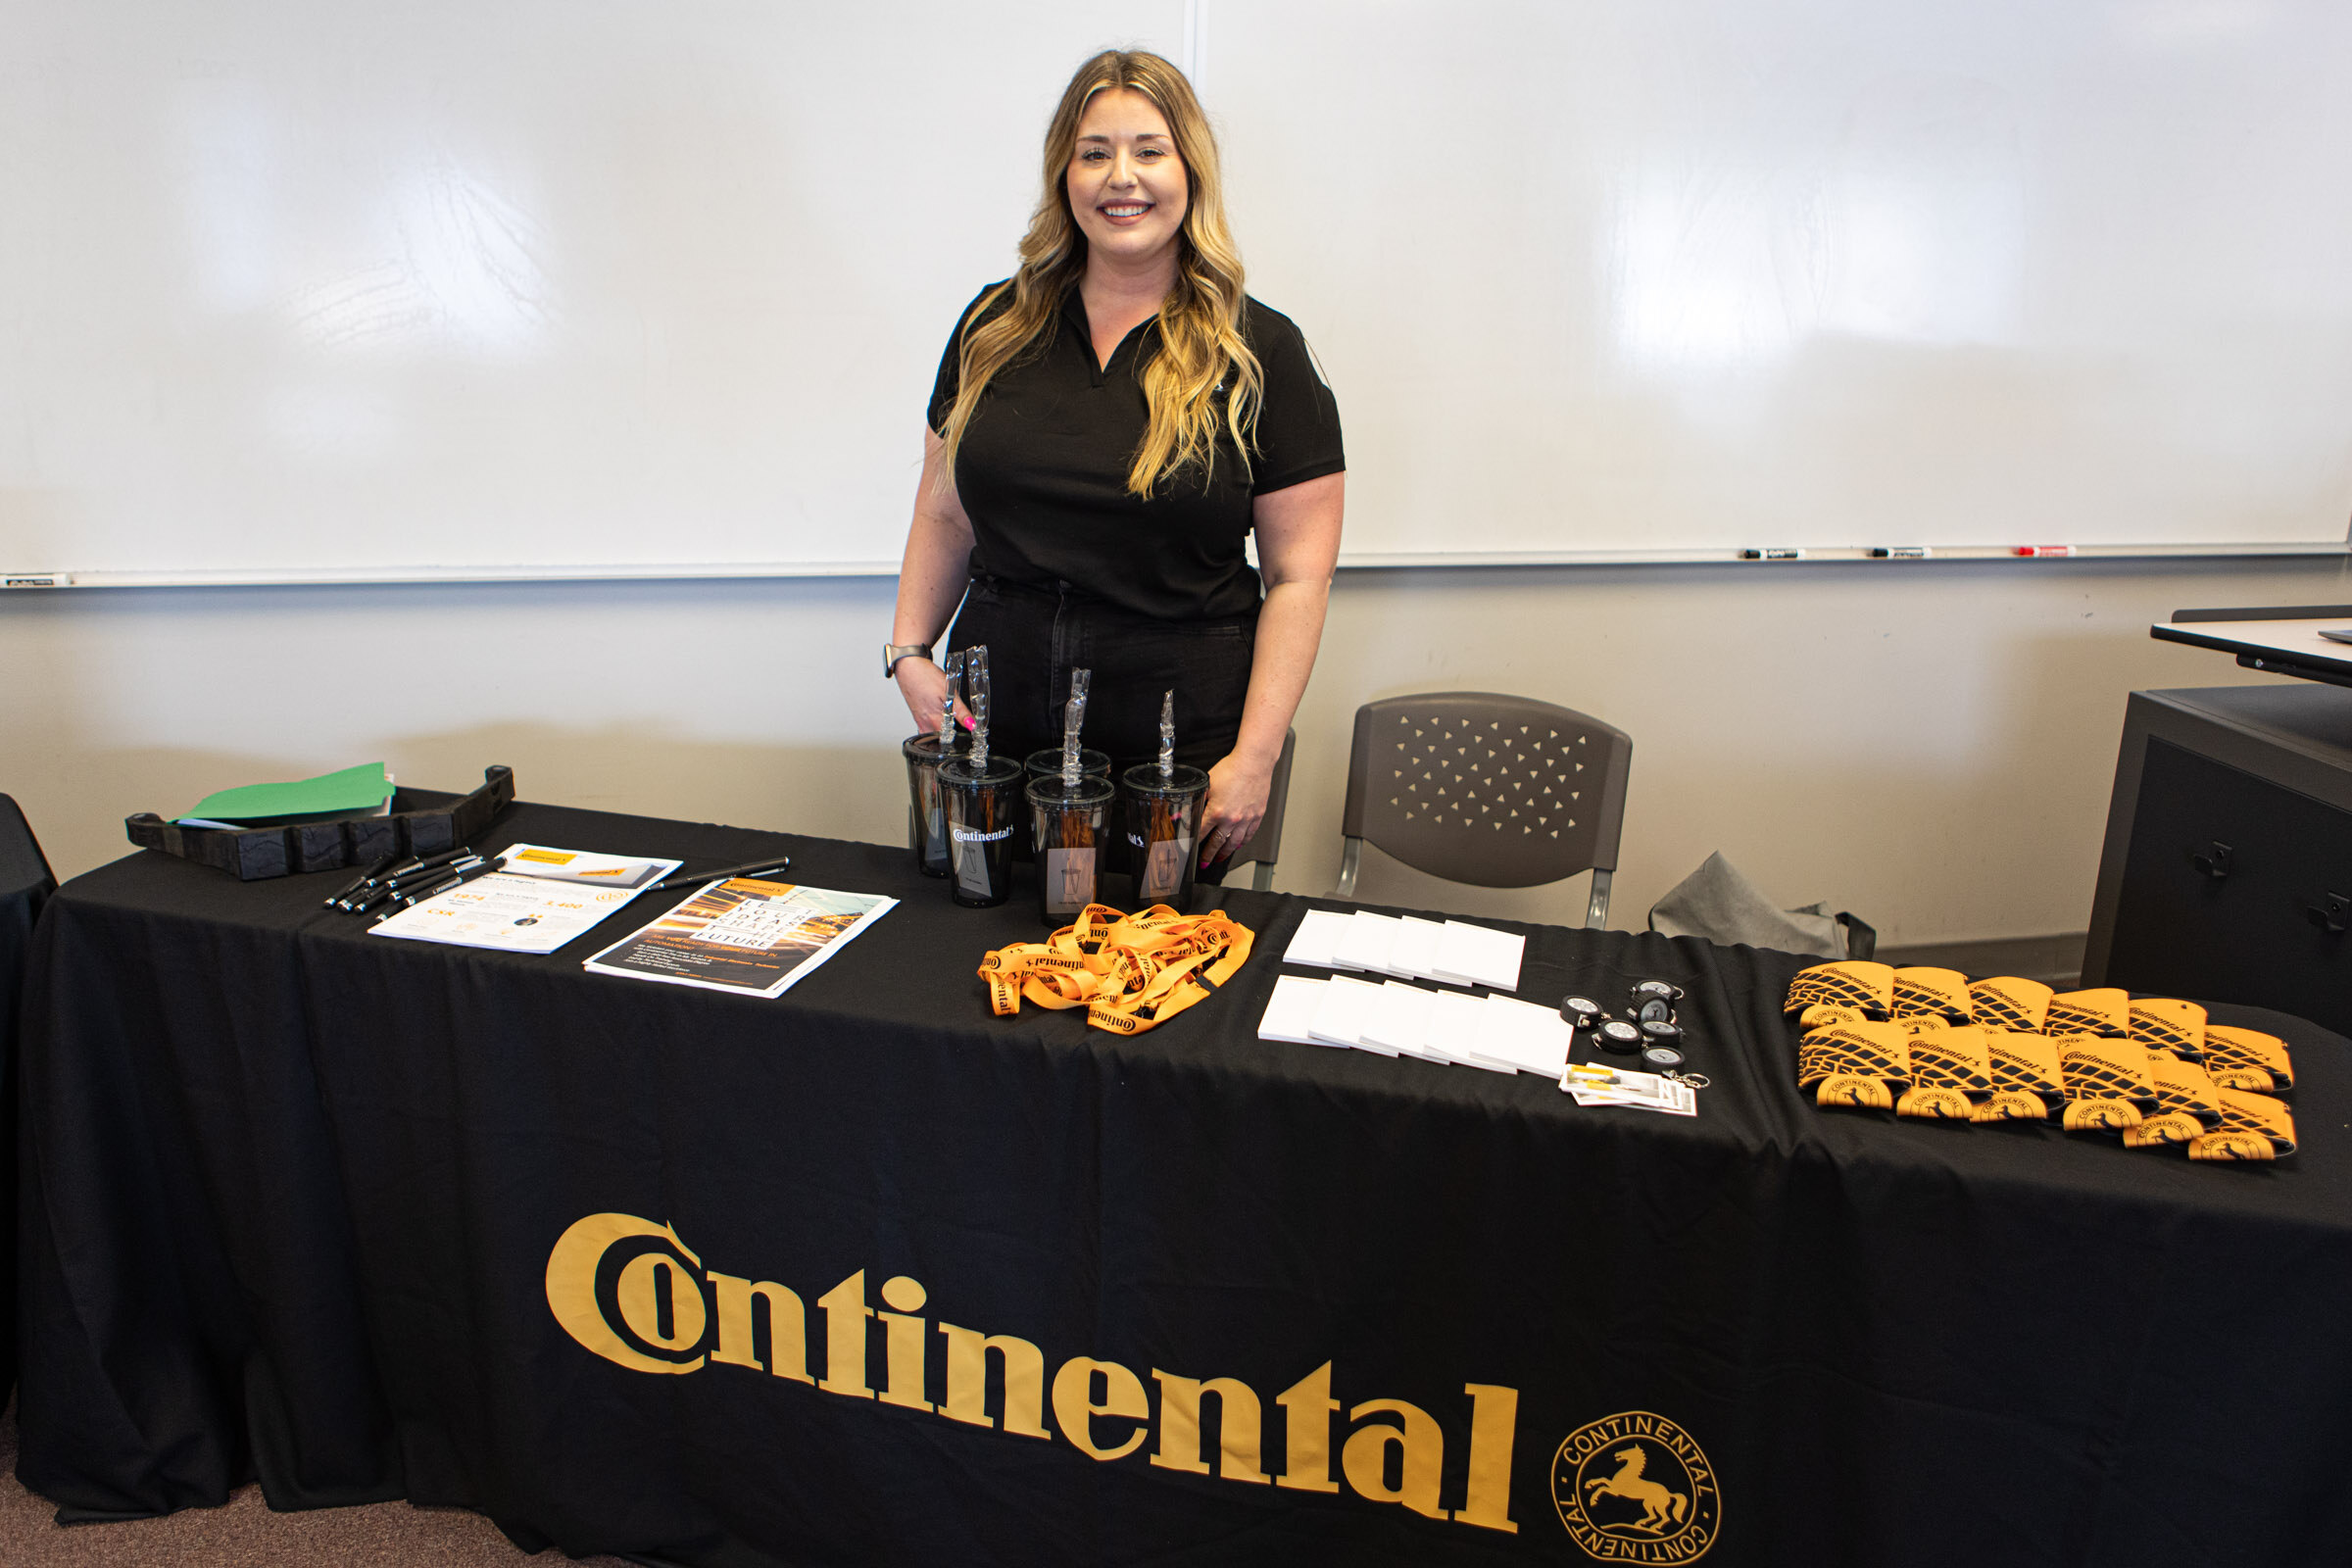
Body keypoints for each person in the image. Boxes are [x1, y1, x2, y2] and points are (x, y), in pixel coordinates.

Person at [885, 48, 1345, 881]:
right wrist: (908, 648)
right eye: (1095, 152)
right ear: (1064, 173)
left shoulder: (1258, 352)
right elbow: (943, 509)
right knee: (967, 967)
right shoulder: (994, 327)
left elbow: (1300, 577)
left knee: (1147, 981)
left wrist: (1257, 756)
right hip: (996, 727)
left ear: (1190, 171)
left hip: (1171, 747)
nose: (1120, 177)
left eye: (1149, 151)